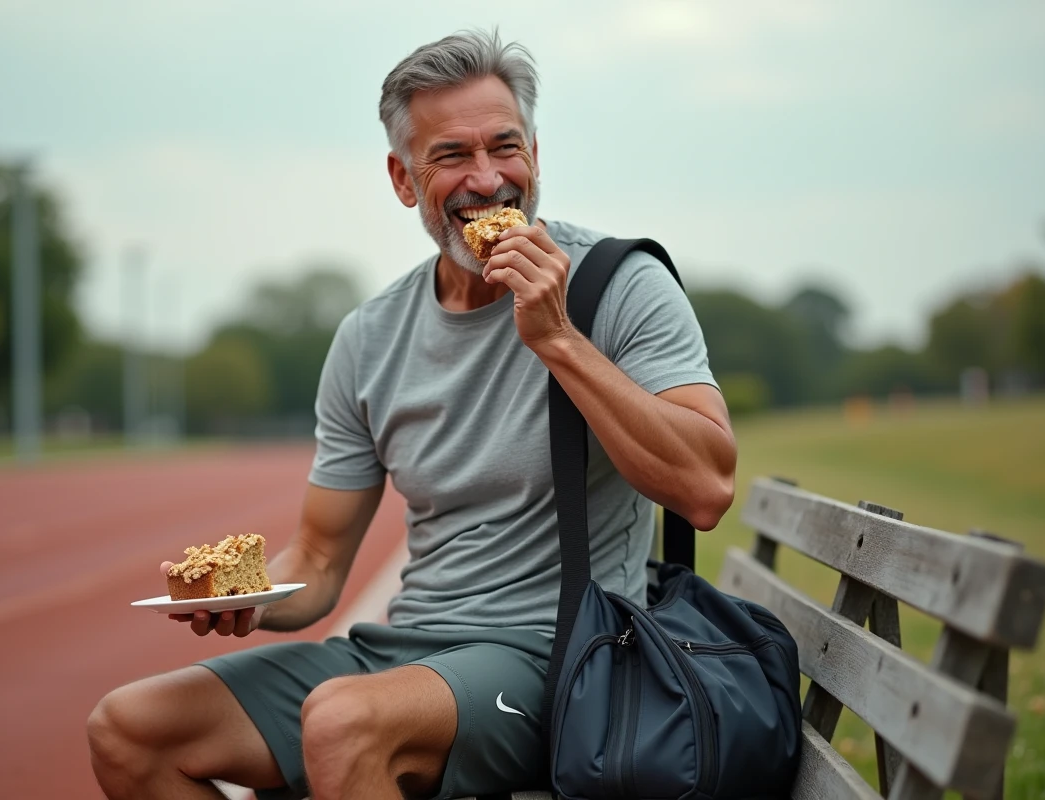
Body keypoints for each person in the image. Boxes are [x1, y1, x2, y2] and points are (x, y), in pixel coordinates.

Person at [87, 27, 736, 800]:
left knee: (342, 722)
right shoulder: (370, 339)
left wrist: (558, 338)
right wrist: (246, 602)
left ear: (536, 154)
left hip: (559, 659)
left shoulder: (615, 286)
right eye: (452, 157)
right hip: (401, 653)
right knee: (129, 730)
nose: (488, 180)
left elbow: (706, 486)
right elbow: (321, 565)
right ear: (402, 178)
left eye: (506, 147)